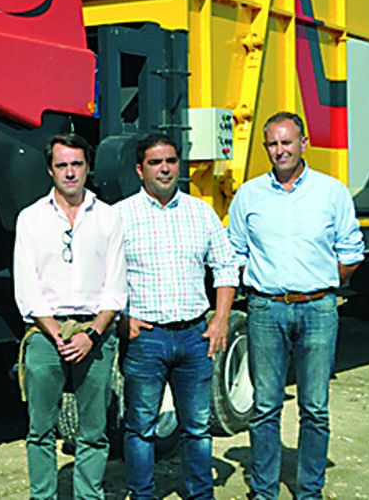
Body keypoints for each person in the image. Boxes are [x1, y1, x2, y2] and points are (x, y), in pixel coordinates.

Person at [227, 112, 364, 500]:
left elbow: (352, 251)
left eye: (287, 142)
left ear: (304, 143)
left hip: (318, 308)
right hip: (266, 310)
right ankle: (265, 491)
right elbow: (234, 249)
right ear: (265, 148)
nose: (280, 150)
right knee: (265, 406)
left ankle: (309, 491)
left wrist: (322, 282)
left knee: (315, 408)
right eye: (272, 143)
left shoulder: (331, 192)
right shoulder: (250, 195)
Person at [116, 133, 238, 500]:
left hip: (193, 336)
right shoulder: (120, 215)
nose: (165, 168)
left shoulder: (200, 212)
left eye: (170, 161)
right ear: (140, 170)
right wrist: (122, 319)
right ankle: (142, 494)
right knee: (140, 427)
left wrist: (220, 319)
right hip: (146, 338)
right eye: (155, 162)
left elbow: (226, 266)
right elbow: (101, 274)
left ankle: (200, 494)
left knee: (198, 427)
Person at [13, 132, 126, 500]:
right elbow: (27, 288)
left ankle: (88, 495)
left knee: (93, 431)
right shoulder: (30, 219)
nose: (70, 172)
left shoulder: (109, 217)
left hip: (95, 330)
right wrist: (58, 334)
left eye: (77, 164)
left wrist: (91, 335)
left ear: (88, 167)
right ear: (50, 170)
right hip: (47, 334)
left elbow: (116, 286)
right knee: (40, 430)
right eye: (62, 165)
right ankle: (42, 496)